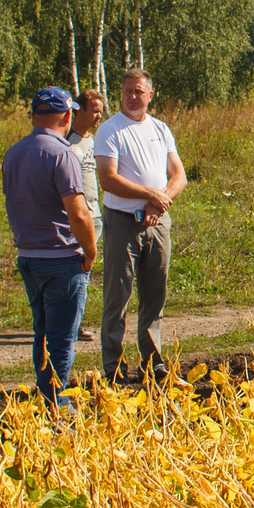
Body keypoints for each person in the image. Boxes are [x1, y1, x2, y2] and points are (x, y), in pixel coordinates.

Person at [1, 87, 101, 407]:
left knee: (42, 333)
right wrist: (90, 250)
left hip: (28, 255)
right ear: (68, 116)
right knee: (61, 340)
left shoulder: (14, 152)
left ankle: (45, 396)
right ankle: (55, 405)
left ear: (33, 116)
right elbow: (78, 212)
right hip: (61, 259)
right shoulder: (62, 154)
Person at [89, 69, 184, 383]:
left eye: (139, 92)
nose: (133, 97)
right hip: (123, 222)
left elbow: (178, 176)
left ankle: (153, 360)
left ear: (150, 95)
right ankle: (113, 367)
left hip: (158, 222)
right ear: (121, 92)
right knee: (118, 296)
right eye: (128, 90)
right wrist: (150, 195)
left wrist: (159, 202)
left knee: (155, 294)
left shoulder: (160, 129)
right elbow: (108, 179)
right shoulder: (110, 130)